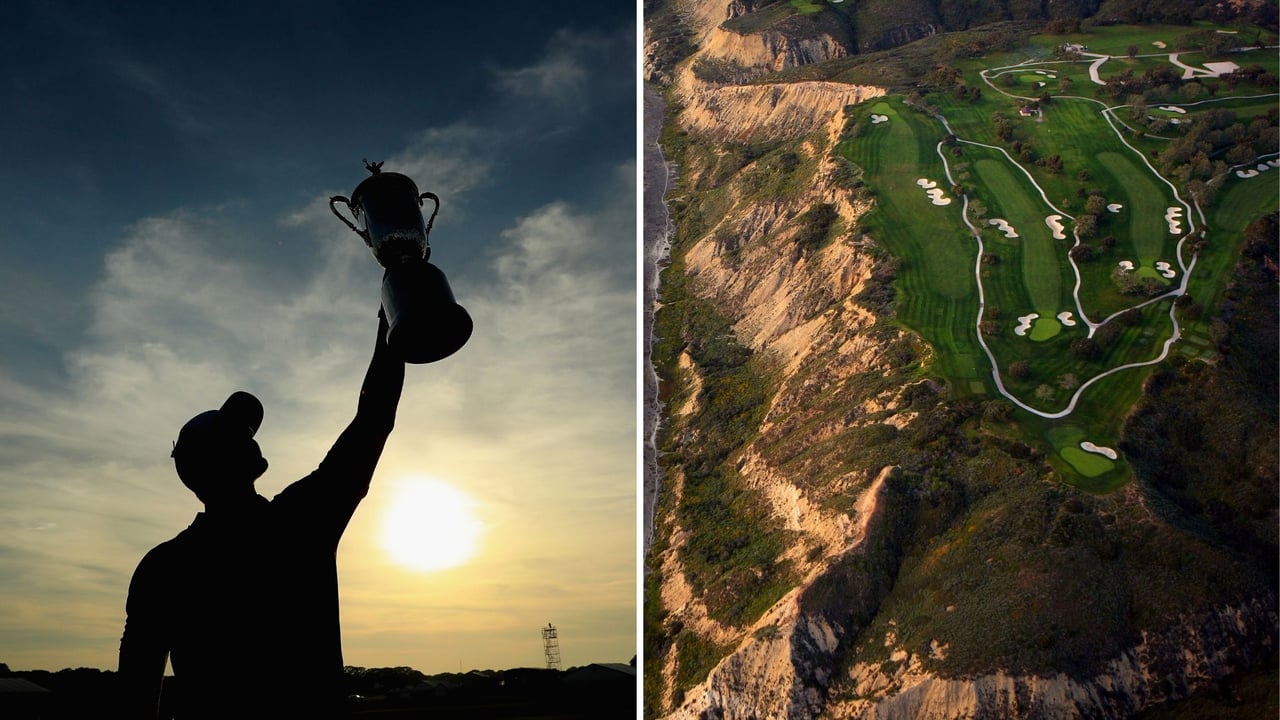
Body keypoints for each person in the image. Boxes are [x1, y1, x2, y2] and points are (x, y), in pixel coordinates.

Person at [118, 310, 405, 719]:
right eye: (233, 436)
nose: (248, 437)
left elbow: (134, 696)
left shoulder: (161, 565)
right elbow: (374, 418)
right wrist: (392, 313)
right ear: (208, 465)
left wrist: (394, 313)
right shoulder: (300, 522)